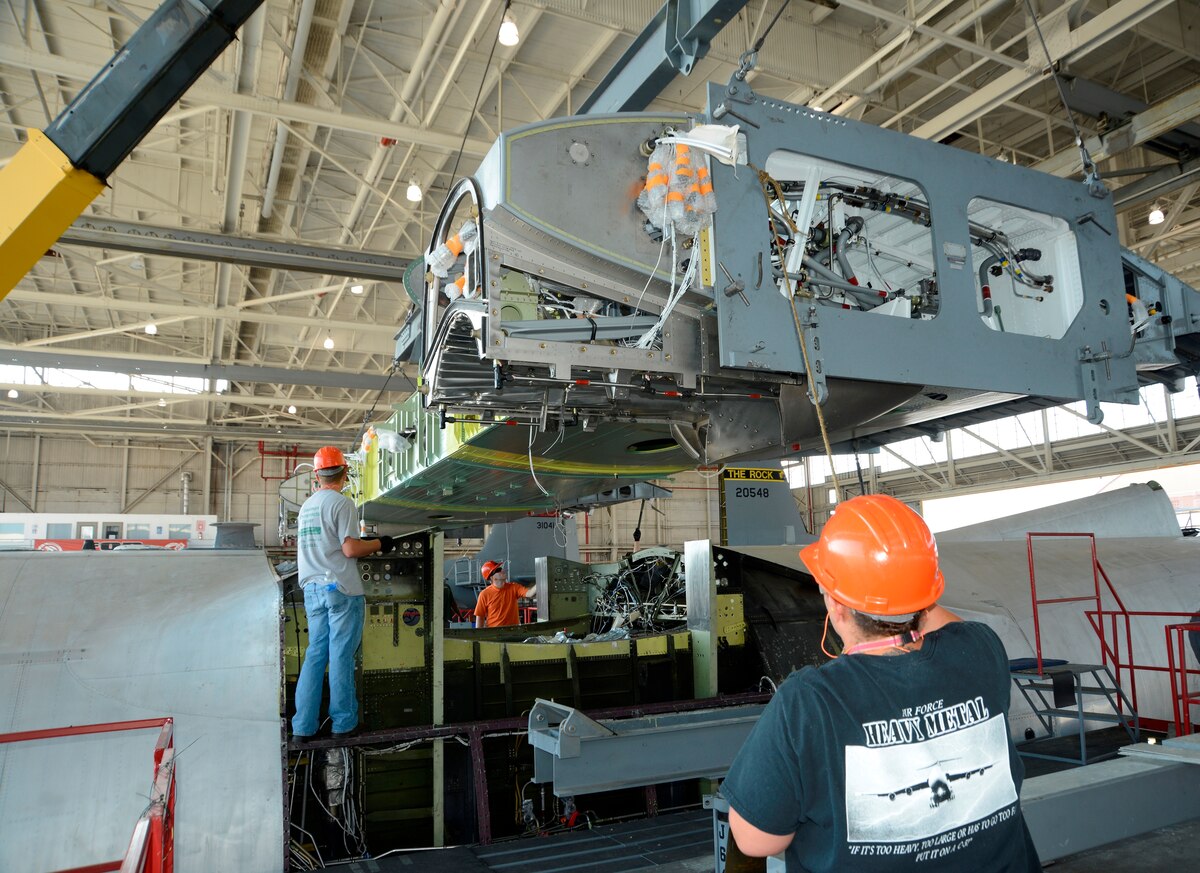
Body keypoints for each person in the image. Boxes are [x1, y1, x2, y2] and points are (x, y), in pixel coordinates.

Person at [722, 494, 1040, 872]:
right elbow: (944, 623)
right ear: (926, 595)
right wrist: (903, 583)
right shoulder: (980, 651)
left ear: (836, 606)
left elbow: (756, 838)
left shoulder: (809, 702)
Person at [291, 446, 395, 742]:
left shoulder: (306, 508)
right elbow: (350, 549)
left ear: (317, 475)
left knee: (314, 656)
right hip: (340, 588)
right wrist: (378, 544)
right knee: (341, 656)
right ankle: (344, 723)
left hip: (311, 589)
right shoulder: (341, 503)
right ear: (345, 472)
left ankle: (303, 727)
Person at [473, 560, 538, 628]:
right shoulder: (484, 594)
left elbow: (530, 593)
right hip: (495, 633)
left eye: (501, 568)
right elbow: (480, 617)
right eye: (498, 570)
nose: (502, 570)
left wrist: (541, 580)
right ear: (492, 577)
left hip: (514, 631)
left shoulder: (514, 587)